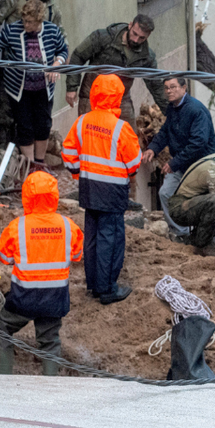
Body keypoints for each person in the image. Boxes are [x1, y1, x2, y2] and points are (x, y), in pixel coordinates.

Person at [0, 171, 84, 376]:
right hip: (55, 297)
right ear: (54, 196)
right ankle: (50, 386)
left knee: (2, 329)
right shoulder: (68, 226)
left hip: (24, 297)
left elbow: (3, 257)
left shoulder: (18, 227)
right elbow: (77, 255)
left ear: (26, 196)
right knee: (50, 341)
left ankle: (0, 381)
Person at [61, 74, 142, 305]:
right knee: (111, 239)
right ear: (118, 96)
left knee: (93, 237)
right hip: (113, 191)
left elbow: (68, 152)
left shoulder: (83, 121)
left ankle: (93, 285)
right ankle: (107, 289)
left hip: (88, 188)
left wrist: (79, 173)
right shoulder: (120, 127)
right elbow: (134, 162)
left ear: (95, 93)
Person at [0, 0, 68, 169]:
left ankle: (39, 163)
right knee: (25, 126)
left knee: (43, 125)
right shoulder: (13, 30)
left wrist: (56, 65)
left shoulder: (52, 31)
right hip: (20, 89)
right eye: (24, 20)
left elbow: (63, 50)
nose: (26, 24)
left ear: (39, 21)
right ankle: (29, 165)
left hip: (44, 88)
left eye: (30, 22)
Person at [145, 77, 215, 240]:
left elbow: (198, 142)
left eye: (173, 87)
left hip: (202, 166)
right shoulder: (172, 108)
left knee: (205, 202)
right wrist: (153, 148)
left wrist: (174, 162)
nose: (169, 91)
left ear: (184, 88)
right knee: (165, 193)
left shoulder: (196, 110)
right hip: (182, 164)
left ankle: (213, 239)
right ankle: (181, 234)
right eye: (166, 88)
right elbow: (165, 131)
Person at [64, 16, 169, 124]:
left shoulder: (146, 56)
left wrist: (170, 113)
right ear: (130, 25)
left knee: (128, 135)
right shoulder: (103, 37)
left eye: (142, 38)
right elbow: (78, 56)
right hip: (93, 95)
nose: (136, 40)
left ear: (148, 36)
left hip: (121, 99)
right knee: (91, 133)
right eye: (134, 33)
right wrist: (72, 87)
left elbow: (156, 86)